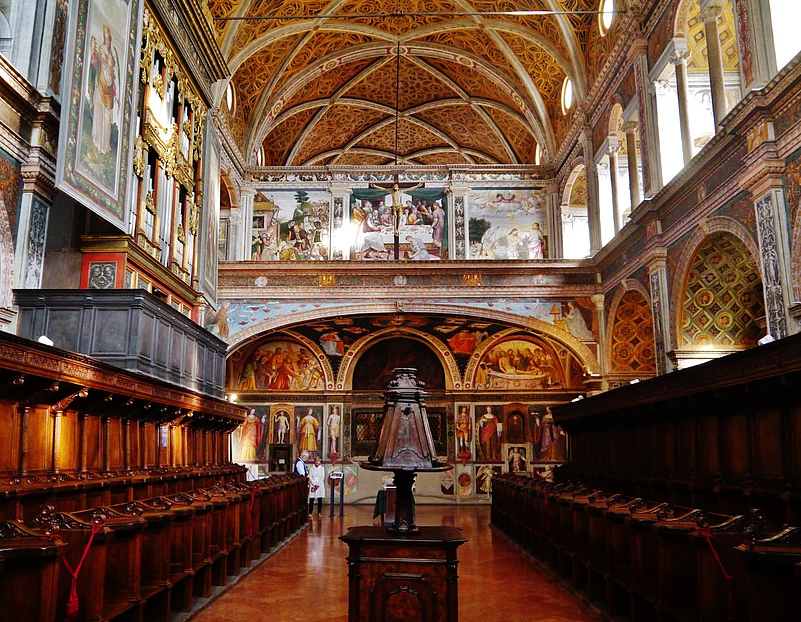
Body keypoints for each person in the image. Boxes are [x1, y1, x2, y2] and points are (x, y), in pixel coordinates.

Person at [88, 26, 118, 155]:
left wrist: (116, 93)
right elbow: (95, 64)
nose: (107, 41)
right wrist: (93, 52)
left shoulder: (112, 55)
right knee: (99, 111)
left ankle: (105, 144)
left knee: (107, 116)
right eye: (105, 39)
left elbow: (114, 75)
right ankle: (98, 140)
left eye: (108, 39)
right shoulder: (100, 50)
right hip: (100, 84)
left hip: (109, 88)